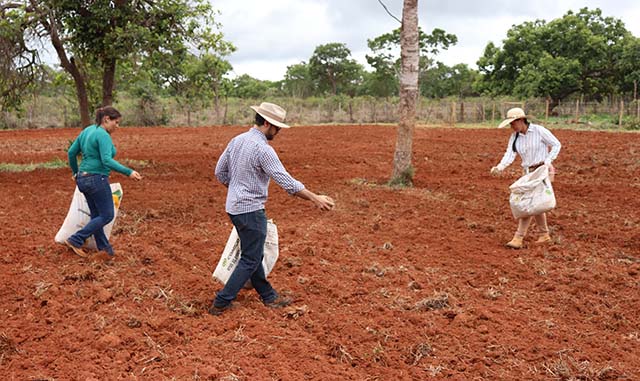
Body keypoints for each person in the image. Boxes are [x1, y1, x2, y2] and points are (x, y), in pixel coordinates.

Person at [209, 102, 335, 316]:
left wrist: (237, 189)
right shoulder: (263, 150)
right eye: (277, 127)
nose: (278, 132)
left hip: (234, 207)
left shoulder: (237, 140)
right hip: (250, 210)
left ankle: (269, 296)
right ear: (267, 123)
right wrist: (315, 198)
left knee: (253, 252)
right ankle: (221, 301)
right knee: (250, 258)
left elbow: (220, 172)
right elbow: (286, 182)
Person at [64, 106, 143, 259]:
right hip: (96, 178)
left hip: (83, 179)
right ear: (106, 119)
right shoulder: (103, 135)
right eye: (116, 122)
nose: (117, 126)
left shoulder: (87, 131)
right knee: (107, 215)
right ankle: (76, 239)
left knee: (97, 215)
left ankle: (105, 249)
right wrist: (129, 172)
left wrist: (75, 172)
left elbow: (71, 152)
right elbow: (107, 160)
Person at [490, 107, 561, 249]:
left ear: (521, 120)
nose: (511, 126)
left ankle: (518, 237)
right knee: (536, 203)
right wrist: (500, 167)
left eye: (512, 123)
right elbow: (509, 154)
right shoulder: (514, 137)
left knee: (527, 204)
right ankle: (544, 235)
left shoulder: (539, 131)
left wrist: (548, 161)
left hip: (540, 171)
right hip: (527, 172)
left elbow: (556, 144)